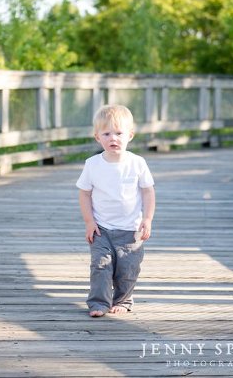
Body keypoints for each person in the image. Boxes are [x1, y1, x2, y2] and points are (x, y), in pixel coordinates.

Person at [76, 104, 156, 318]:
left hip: (131, 230)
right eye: (106, 134)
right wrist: (89, 222)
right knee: (100, 266)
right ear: (97, 137)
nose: (113, 138)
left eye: (119, 133)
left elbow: (148, 192)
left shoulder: (137, 163)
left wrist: (147, 219)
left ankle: (122, 300)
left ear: (130, 135)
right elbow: (84, 194)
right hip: (101, 228)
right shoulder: (93, 164)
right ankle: (99, 302)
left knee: (128, 269)